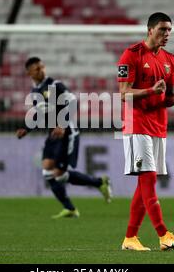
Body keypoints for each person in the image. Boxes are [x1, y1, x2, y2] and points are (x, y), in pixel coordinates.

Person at [117, 12, 174, 251]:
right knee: (148, 180)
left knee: (144, 185)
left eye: (170, 30)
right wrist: (150, 90)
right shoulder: (131, 54)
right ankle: (164, 234)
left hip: (159, 126)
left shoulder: (171, 60)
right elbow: (123, 94)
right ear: (150, 30)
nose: (167, 34)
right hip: (136, 124)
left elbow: (166, 99)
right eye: (162, 29)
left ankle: (130, 238)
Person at [16, 57, 112, 218]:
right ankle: (70, 208)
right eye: (37, 69)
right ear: (29, 73)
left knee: (58, 174)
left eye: (42, 67)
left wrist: (62, 124)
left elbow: (73, 102)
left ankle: (99, 183)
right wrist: (26, 129)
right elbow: (39, 116)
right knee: (47, 170)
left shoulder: (55, 85)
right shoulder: (34, 93)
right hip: (53, 135)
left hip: (67, 133)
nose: (41, 70)